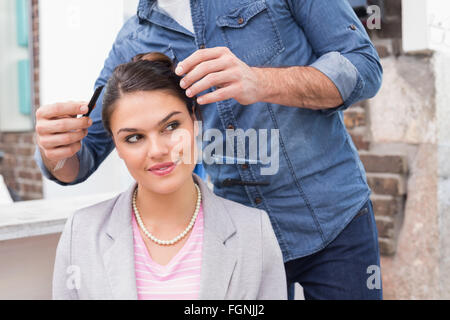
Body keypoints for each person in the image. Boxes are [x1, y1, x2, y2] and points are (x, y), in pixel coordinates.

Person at [36, 0, 383, 299]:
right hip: (235, 243)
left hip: (334, 219)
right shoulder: (134, 38)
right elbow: (80, 160)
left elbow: (364, 67)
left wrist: (261, 82)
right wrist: (56, 149)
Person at [52, 52, 287, 300]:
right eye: (134, 138)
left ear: (194, 120)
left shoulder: (254, 231)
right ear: (117, 146)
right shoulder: (81, 232)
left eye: (171, 126)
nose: (157, 151)